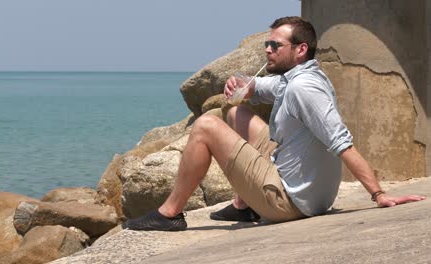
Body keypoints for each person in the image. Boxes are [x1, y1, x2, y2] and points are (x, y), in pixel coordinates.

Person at [124, 16, 426, 231]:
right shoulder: (299, 78)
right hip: (305, 191)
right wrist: (241, 83)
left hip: (291, 202)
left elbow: (341, 143)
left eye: (275, 45)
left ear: (300, 49)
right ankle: (244, 206)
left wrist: (379, 195)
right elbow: (259, 88)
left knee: (205, 126)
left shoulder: (303, 89)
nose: (267, 49)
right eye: (267, 43)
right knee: (234, 114)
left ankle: (169, 214)